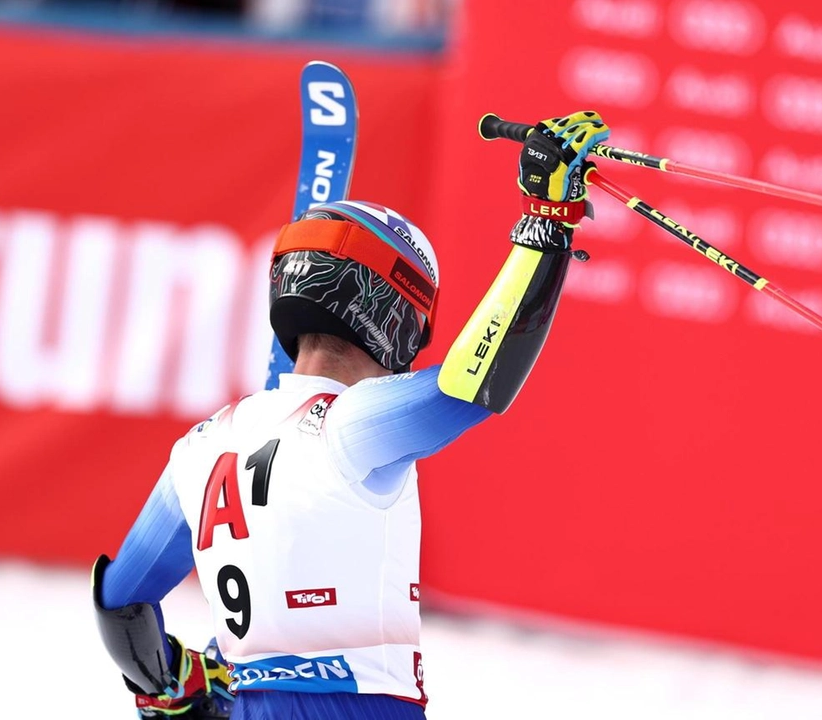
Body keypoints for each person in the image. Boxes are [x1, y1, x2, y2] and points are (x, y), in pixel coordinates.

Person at [92, 110, 611, 719]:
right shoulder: (351, 423)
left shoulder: (199, 447)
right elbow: (472, 384)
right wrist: (547, 224)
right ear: (394, 314)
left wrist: (171, 684)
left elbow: (121, 602)